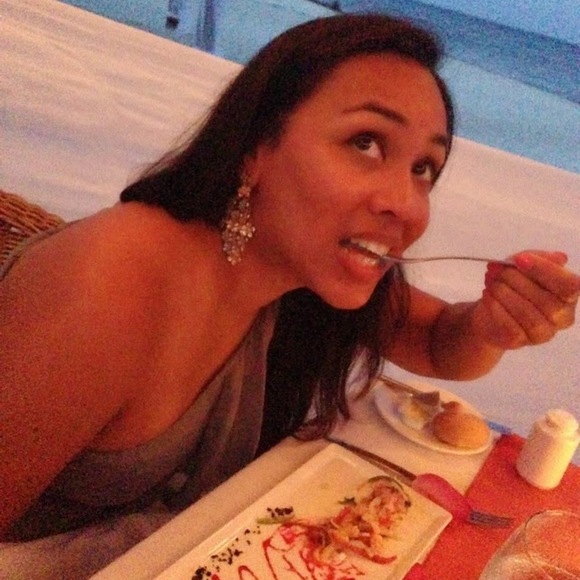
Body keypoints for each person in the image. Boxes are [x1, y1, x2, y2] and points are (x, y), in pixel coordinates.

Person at [0, 11, 578, 568]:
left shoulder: (301, 273)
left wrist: (492, 325)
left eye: (423, 168)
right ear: (254, 149)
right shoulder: (106, 283)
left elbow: (438, 344)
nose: (405, 205)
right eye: (367, 143)